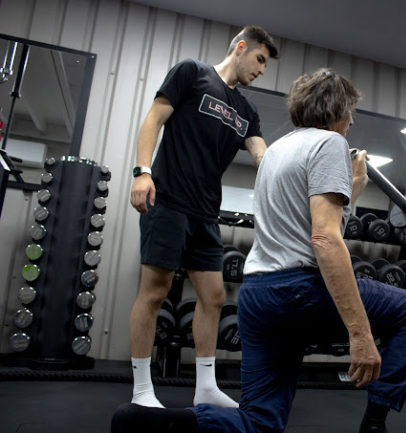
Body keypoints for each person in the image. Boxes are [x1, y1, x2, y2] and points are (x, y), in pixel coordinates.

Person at [113, 68, 406, 433]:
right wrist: (360, 335)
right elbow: (325, 240)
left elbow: (308, 221)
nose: (352, 120)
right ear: (335, 110)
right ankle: (375, 424)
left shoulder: (277, 151)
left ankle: (159, 423)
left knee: (260, 423)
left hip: (258, 297)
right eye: (349, 112)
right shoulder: (330, 144)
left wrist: (354, 185)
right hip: (299, 290)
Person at [127, 25, 278, 409]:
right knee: (155, 290)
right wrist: (142, 171)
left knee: (212, 295)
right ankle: (143, 390)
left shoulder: (247, 111)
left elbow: (262, 156)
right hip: (169, 199)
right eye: (260, 59)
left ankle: (206, 387)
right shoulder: (192, 72)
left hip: (206, 211)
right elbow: (153, 119)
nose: (261, 70)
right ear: (241, 47)